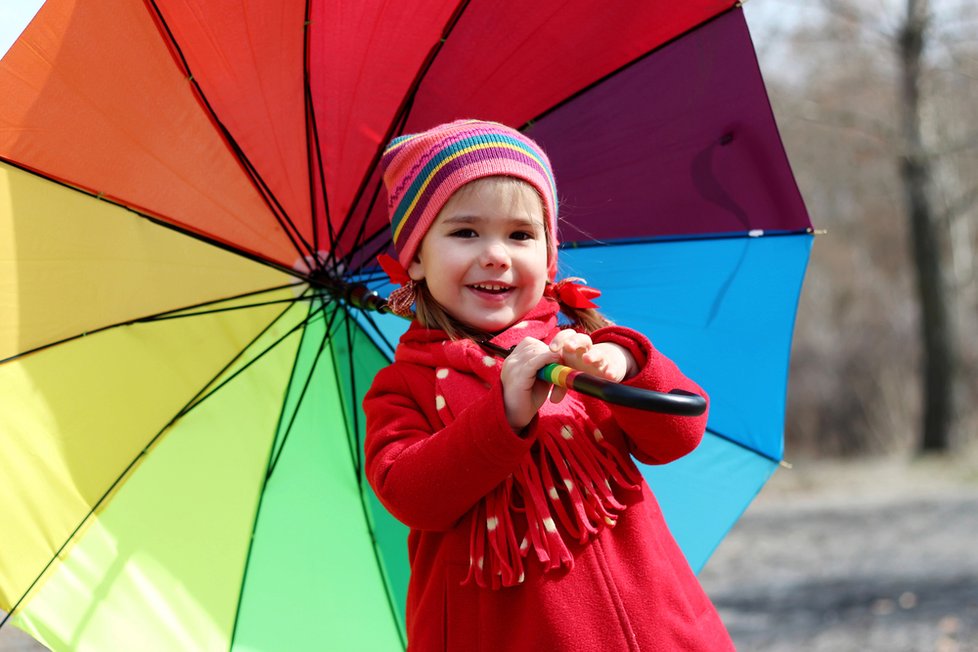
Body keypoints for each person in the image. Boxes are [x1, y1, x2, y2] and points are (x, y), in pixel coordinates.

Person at [363, 119, 734, 651]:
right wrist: (502, 415)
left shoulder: (578, 347)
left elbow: (678, 432)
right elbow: (411, 495)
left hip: (655, 632)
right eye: (465, 232)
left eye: (520, 234)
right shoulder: (405, 386)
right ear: (416, 258)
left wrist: (626, 362)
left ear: (549, 254)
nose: (496, 254)